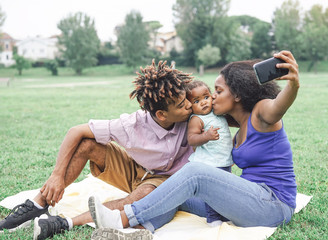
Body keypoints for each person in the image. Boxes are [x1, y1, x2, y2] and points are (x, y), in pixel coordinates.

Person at [88, 50, 300, 239]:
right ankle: (140, 230)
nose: (212, 97)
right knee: (174, 192)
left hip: (273, 205)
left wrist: (293, 84)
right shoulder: (235, 128)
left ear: (237, 94)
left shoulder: (262, 113)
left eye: (218, 91)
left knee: (195, 172)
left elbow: (279, 106)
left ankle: (121, 218)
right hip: (250, 201)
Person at [0, 60, 195, 239]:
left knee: (142, 197)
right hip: (135, 169)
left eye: (186, 99)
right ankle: (37, 205)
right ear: (161, 114)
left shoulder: (194, 113)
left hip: (163, 181)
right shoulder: (132, 125)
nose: (188, 105)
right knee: (87, 144)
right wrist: (56, 175)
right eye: (181, 105)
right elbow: (75, 131)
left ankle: (64, 222)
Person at [185, 80, 233, 226]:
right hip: (209, 162)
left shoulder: (217, 112)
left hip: (223, 160)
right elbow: (192, 139)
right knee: (212, 192)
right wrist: (206, 136)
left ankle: (224, 213)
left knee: (225, 190)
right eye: (196, 101)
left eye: (206, 97)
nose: (204, 103)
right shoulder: (197, 119)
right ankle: (213, 218)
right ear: (190, 105)